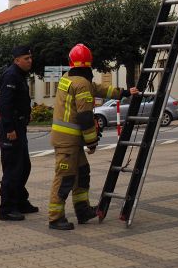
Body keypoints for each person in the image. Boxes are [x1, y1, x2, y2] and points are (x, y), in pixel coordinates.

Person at [48, 43, 138, 230]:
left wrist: (123, 93)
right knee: (64, 178)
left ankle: (83, 211)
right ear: (89, 63)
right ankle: (55, 218)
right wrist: (92, 141)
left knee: (82, 174)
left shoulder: (69, 78)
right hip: (68, 141)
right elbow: (85, 117)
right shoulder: (81, 83)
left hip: (68, 140)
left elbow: (97, 88)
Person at [0, 46, 37, 221]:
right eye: (26, 58)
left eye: (30, 58)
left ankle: (20, 201)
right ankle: (6, 208)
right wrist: (9, 129)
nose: (30, 60)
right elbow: (4, 104)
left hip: (19, 126)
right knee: (12, 169)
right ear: (16, 60)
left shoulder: (20, 75)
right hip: (11, 128)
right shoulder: (11, 75)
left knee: (24, 166)